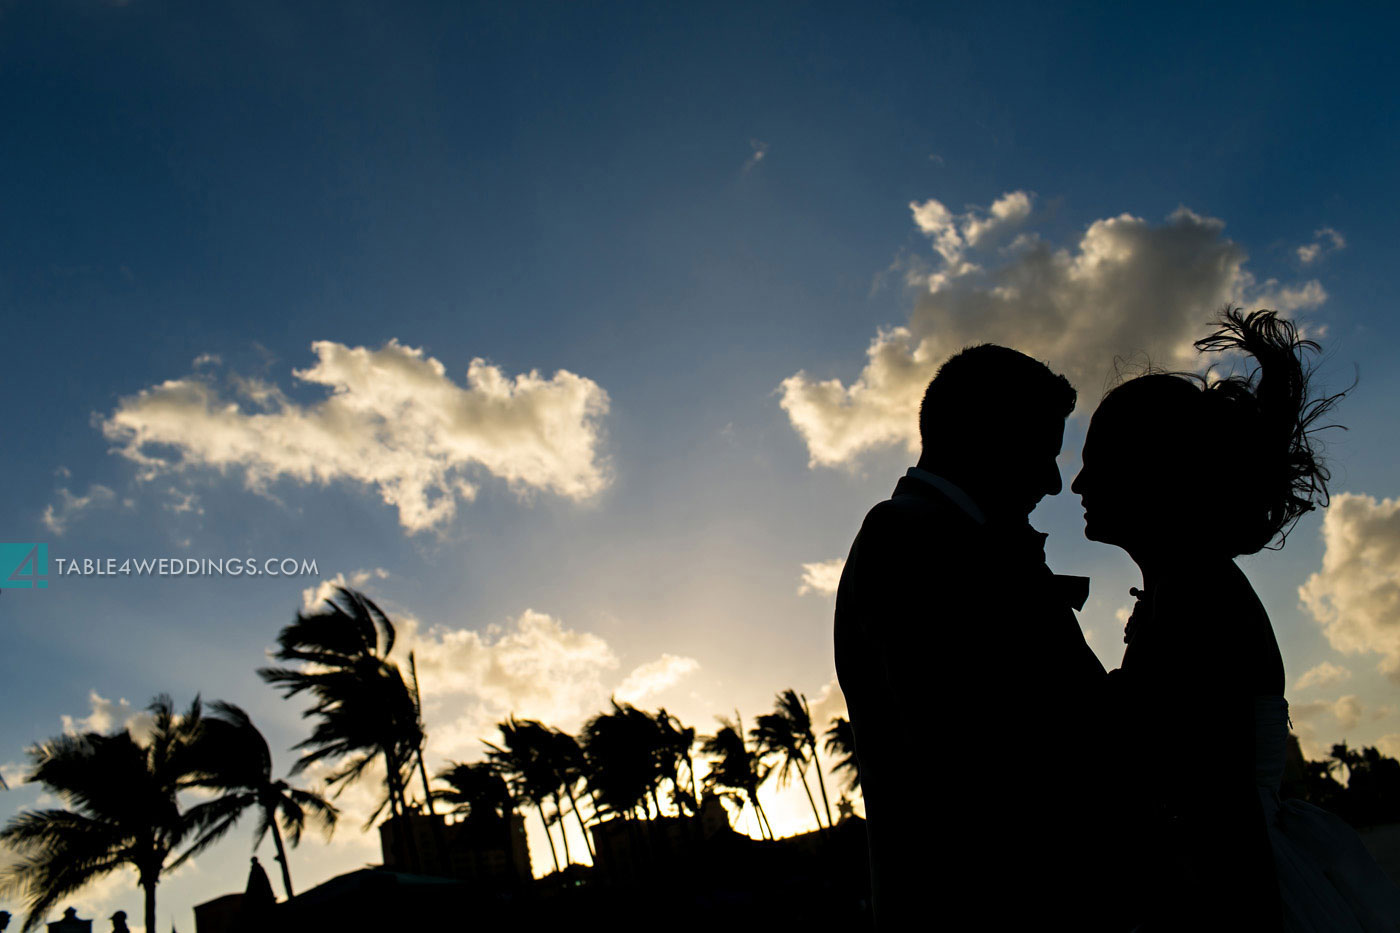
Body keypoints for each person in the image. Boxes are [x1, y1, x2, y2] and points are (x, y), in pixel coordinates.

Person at [1073, 307, 1400, 930]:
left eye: (1098, 462)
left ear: (1152, 474)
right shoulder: (1187, 590)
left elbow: (1218, 814)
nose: (1078, 483)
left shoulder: (1197, 602)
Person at [835, 345, 1122, 929]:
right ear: (984, 435)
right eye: (1043, 452)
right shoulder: (906, 537)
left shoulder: (950, 536)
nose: (1055, 481)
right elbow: (970, 755)